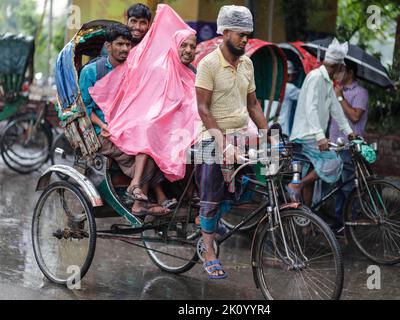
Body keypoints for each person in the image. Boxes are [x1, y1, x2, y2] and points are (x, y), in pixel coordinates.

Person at [195, 5, 269, 280]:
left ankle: (209, 221)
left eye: (248, 35)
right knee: (212, 194)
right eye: (240, 34)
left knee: (250, 187)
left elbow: (253, 104)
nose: (245, 40)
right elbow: (203, 108)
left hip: (241, 135)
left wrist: (269, 135)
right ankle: (209, 249)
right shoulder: (208, 64)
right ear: (224, 32)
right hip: (211, 137)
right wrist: (222, 142)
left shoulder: (247, 63)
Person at [90, 4, 199, 184]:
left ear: (149, 26)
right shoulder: (109, 59)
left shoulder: (157, 51)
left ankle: (179, 193)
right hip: (115, 115)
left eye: (143, 23)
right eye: (134, 21)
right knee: (147, 132)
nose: (138, 27)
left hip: (146, 109)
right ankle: (144, 191)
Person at [80, 23, 171, 217]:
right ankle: (138, 200)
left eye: (128, 45)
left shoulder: (133, 70)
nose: (124, 49)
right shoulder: (92, 71)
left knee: (156, 145)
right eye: (120, 44)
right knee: (145, 149)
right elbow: (85, 110)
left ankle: (138, 191)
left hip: (129, 128)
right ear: (108, 45)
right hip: (102, 132)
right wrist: (104, 125)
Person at [288, 38, 356, 207]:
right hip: (306, 135)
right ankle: (297, 185)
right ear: (339, 66)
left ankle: (306, 220)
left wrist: (349, 132)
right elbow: (310, 108)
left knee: (311, 178)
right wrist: (320, 136)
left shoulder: (327, 82)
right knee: (334, 161)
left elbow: (336, 109)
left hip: (313, 135)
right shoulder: (315, 77)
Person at [329, 61, 369, 233]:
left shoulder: (360, 93)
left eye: (342, 70)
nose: (338, 73)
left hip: (349, 146)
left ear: (350, 73)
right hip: (334, 145)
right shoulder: (337, 90)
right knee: (337, 187)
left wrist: (339, 98)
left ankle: (349, 224)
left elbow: (355, 116)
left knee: (348, 187)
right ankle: (340, 223)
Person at [278, 60, 300, 138]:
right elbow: (304, 95)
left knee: (265, 149)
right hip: (281, 129)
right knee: (277, 150)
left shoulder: (273, 86)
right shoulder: (289, 88)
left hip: (267, 126)